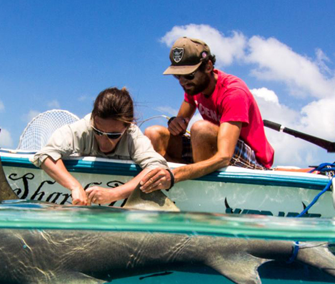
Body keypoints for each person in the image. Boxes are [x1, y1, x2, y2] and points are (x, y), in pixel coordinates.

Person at [141, 37, 274, 193]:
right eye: (178, 76)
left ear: (208, 66)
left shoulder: (233, 92)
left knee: (201, 130)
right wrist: (175, 123)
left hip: (252, 161)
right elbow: (178, 130)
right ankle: (170, 190)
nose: (183, 82)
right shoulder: (194, 88)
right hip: (211, 152)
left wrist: (174, 175)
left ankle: (204, 193)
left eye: (189, 75)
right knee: (153, 134)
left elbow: (224, 156)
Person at [30, 87, 173, 206]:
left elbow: (157, 166)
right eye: (98, 132)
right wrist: (74, 186)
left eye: (114, 135)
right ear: (93, 119)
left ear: (128, 126)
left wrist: (114, 194)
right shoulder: (82, 127)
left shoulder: (132, 135)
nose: (104, 142)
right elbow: (45, 155)